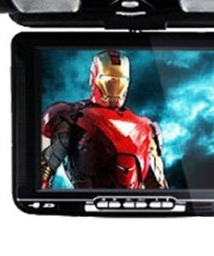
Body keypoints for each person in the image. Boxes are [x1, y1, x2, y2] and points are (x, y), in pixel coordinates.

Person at [41, 49, 168, 189]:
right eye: (110, 80)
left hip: (133, 201)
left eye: (121, 81)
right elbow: (43, 173)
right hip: (88, 199)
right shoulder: (71, 115)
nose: (116, 87)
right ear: (93, 77)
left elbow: (158, 186)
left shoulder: (145, 127)